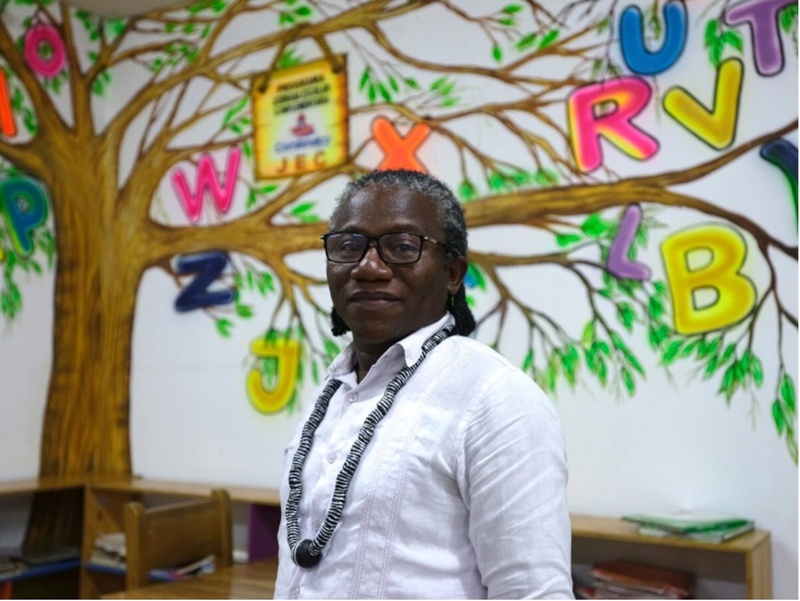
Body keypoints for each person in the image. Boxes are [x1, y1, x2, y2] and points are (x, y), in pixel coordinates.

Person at [274, 169, 573, 599]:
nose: (369, 267)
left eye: (401, 247)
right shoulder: (332, 392)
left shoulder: (496, 399)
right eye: (348, 246)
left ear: (452, 273)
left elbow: (531, 592)